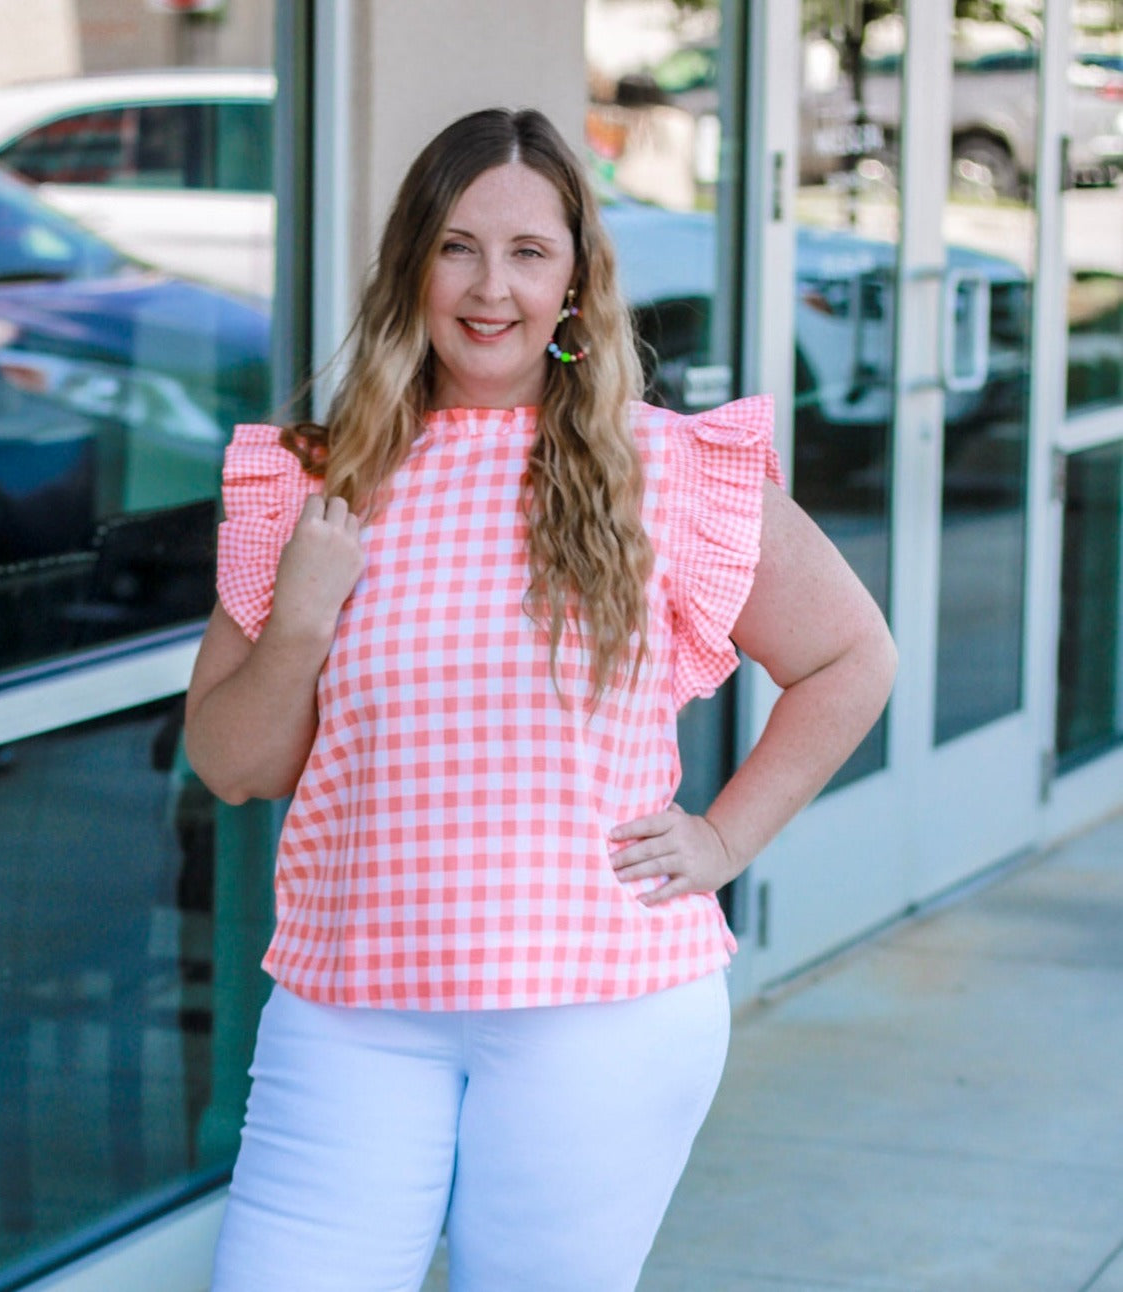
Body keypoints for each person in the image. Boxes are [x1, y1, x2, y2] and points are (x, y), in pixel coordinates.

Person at [185, 106, 897, 1292]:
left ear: (573, 279)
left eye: (527, 252)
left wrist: (723, 839)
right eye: (457, 247)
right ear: (410, 263)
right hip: (352, 999)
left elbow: (848, 656)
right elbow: (231, 762)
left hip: (599, 1006)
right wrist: (300, 617)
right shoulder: (318, 480)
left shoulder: (660, 469)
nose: (489, 288)